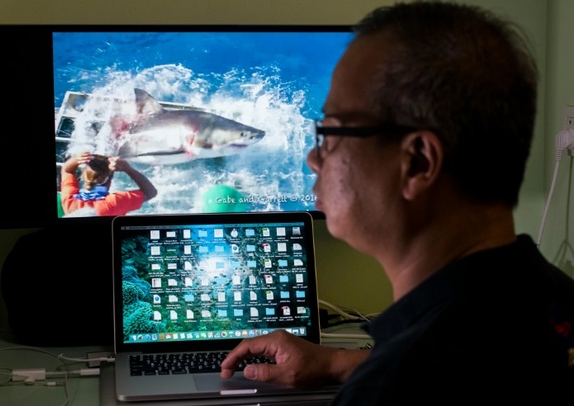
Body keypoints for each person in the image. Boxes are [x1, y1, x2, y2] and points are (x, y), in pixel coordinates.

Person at [220, 1, 574, 404]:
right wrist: (340, 362)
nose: (313, 158)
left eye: (333, 133)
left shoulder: (390, 388)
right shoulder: (555, 304)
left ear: (418, 162)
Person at [60, 151, 157, 216]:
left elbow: (66, 171)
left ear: (84, 175)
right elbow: (150, 192)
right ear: (107, 178)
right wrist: (128, 169)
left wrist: (75, 160)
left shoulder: (70, 200)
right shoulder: (113, 203)